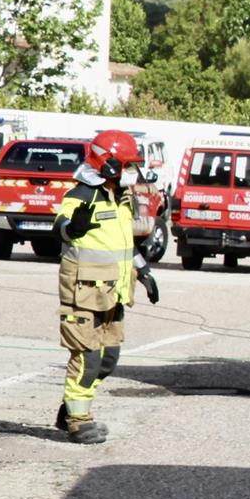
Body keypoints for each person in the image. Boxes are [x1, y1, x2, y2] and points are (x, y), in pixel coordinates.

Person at [53, 131, 158, 444]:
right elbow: (60, 227)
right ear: (108, 164)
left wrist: (144, 271)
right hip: (84, 292)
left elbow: (124, 245)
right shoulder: (81, 195)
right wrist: (72, 228)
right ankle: (78, 421)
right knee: (87, 358)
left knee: (109, 359)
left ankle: (70, 409)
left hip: (114, 293)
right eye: (128, 165)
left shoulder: (120, 198)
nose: (132, 172)